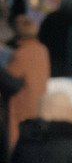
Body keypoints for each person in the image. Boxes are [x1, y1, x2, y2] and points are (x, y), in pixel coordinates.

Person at [6, 14, 50, 150]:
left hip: (21, 111)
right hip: (39, 107)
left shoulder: (21, 54)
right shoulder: (42, 50)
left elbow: (7, 79)